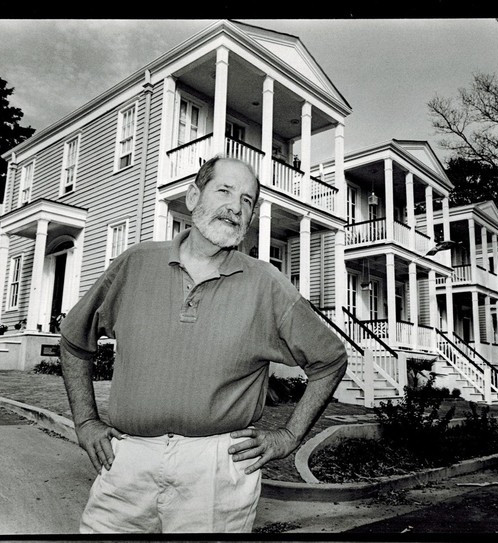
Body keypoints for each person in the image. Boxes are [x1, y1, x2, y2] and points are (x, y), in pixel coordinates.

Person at [60, 155, 348, 533]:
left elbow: (330, 360)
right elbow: (73, 340)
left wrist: (289, 436)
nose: (235, 207)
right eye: (224, 191)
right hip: (126, 461)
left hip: (217, 472)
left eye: (247, 200)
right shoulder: (136, 264)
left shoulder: (267, 284)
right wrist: (85, 422)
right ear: (193, 197)